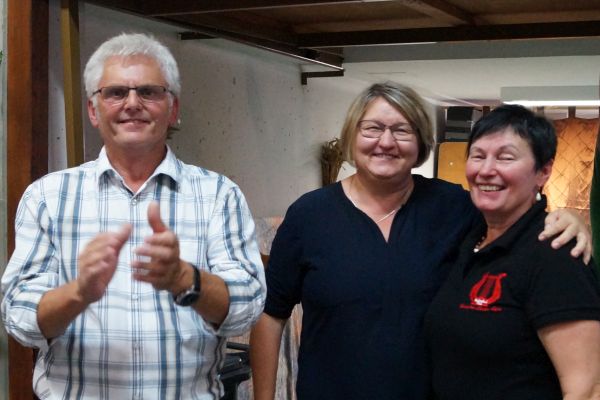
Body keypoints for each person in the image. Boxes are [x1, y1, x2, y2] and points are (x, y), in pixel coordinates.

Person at [249, 82, 592, 400]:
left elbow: (512, 218)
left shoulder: (455, 207)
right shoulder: (309, 215)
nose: (386, 142)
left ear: (421, 142)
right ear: (352, 135)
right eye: (372, 128)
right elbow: (271, 314)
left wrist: (570, 219)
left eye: (402, 130)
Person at [1, 33, 266, 399]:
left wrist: (184, 278)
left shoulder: (219, 195)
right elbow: (19, 317)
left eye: (148, 92)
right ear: (93, 110)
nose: (132, 103)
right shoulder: (48, 196)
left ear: (173, 108)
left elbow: (248, 307)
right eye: (115, 93)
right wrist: (78, 293)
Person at [425, 104, 600, 399]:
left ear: (543, 171)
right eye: (478, 155)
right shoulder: (469, 239)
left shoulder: (556, 254)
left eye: (505, 157)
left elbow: (587, 388)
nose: (486, 170)